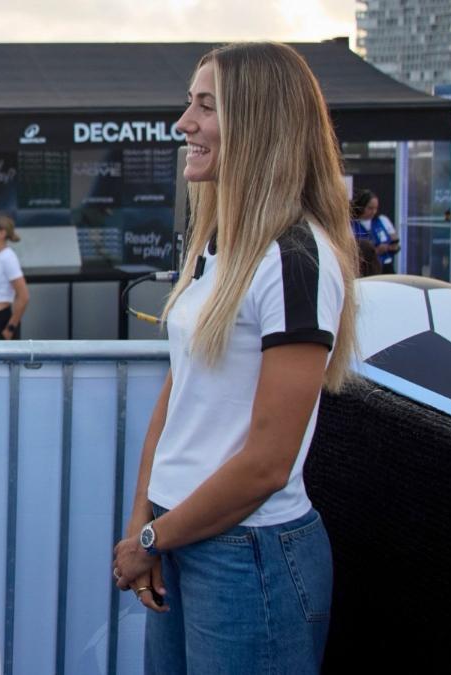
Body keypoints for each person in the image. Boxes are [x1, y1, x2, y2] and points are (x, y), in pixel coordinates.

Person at [111, 43, 358, 674]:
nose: (182, 123)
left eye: (205, 106)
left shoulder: (295, 258)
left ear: (258, 123)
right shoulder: (223, 250)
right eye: (188, 103)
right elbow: (179, 394)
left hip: (248, 556)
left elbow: (267, 466)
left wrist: (151, 539)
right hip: (186, 537)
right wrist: (149, 519)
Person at [350, 189, 399, 274]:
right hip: (366, 270)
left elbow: (396, 245)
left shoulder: (382, 220)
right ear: (361, 206)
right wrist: (375, 251)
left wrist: (387, 247)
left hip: (386, 266)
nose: (373, 212)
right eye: (370, 208)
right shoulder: (351, 225)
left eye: (375, 208)